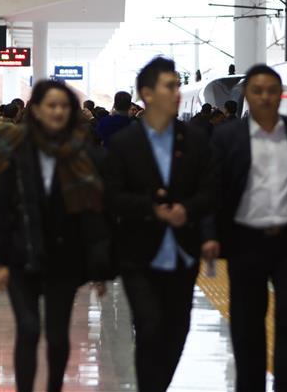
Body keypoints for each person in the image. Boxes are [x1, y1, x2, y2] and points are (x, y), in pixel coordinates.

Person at [0, 80, 111, 392]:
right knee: (29, 329)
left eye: (63, 106)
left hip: (65, 257)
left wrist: (100, 265)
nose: (57, 111)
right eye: (51, 105)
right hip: (21, 256)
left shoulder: (83, 155)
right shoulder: (14, 149)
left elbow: (95, 214)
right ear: (36, 110)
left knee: (58, 335)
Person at [209, 64, 287, 392]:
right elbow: (212, 189)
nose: (265, 97)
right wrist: (209, 235)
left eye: (271, 91)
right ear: (247, 95)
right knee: (247, 327)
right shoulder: (226, 136)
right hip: (245, 242)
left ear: (280, 95)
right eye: (257, 91)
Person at [104, 57, 215, 392]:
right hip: (138, 254)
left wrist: (189, 211)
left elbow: (211, 191)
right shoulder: (125, 144)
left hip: (183, 254)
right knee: (150, 327)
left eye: (178, 86)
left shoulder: (195, 141)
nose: (177, 93)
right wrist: (153, 209)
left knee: (177, 331)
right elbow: (112, 197)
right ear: (147, 94)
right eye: (170, 86)